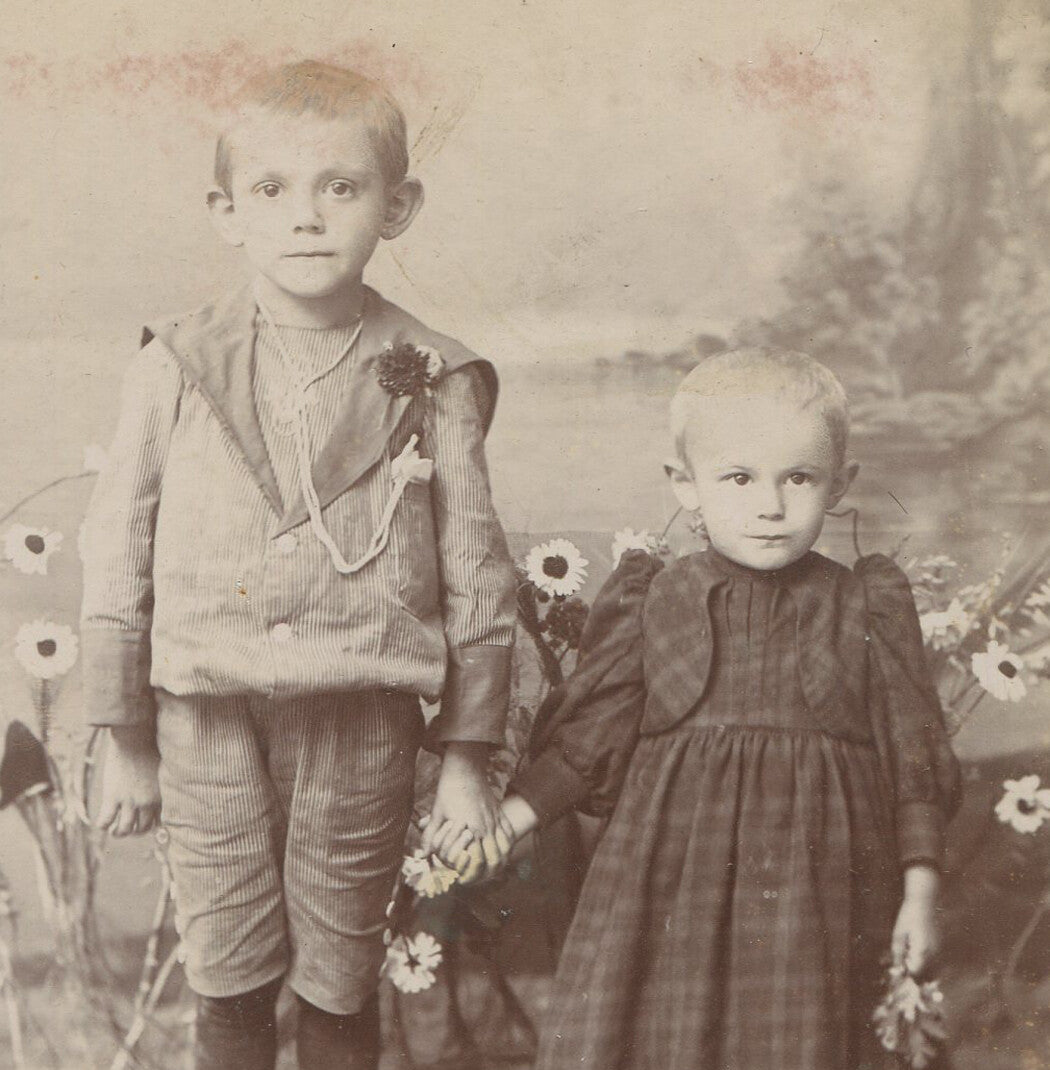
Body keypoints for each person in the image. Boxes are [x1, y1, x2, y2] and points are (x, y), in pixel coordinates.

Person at [79, 60, 517, 1070]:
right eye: (273, 190)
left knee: (338, 967)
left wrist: (464, 760)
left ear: (397, 207)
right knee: (226, 962)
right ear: (226, 211)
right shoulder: (176, 363)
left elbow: (476, 571)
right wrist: (125, 735)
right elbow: (119, 541)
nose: (307, 217)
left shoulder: (434, 375)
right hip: (203, 710)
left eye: (342, 187)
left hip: (361, 713)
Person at [443, 348, 961, 1069]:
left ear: (841, 483)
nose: (771, 505)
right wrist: (512, 819)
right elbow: (592, 740)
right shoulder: (658, 598)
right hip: (669, 882)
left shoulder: (865, 603)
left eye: (800, 478)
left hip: (821, 893)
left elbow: (915, 763)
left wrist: (920, 891)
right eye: (739, 478)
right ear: (685, 485)